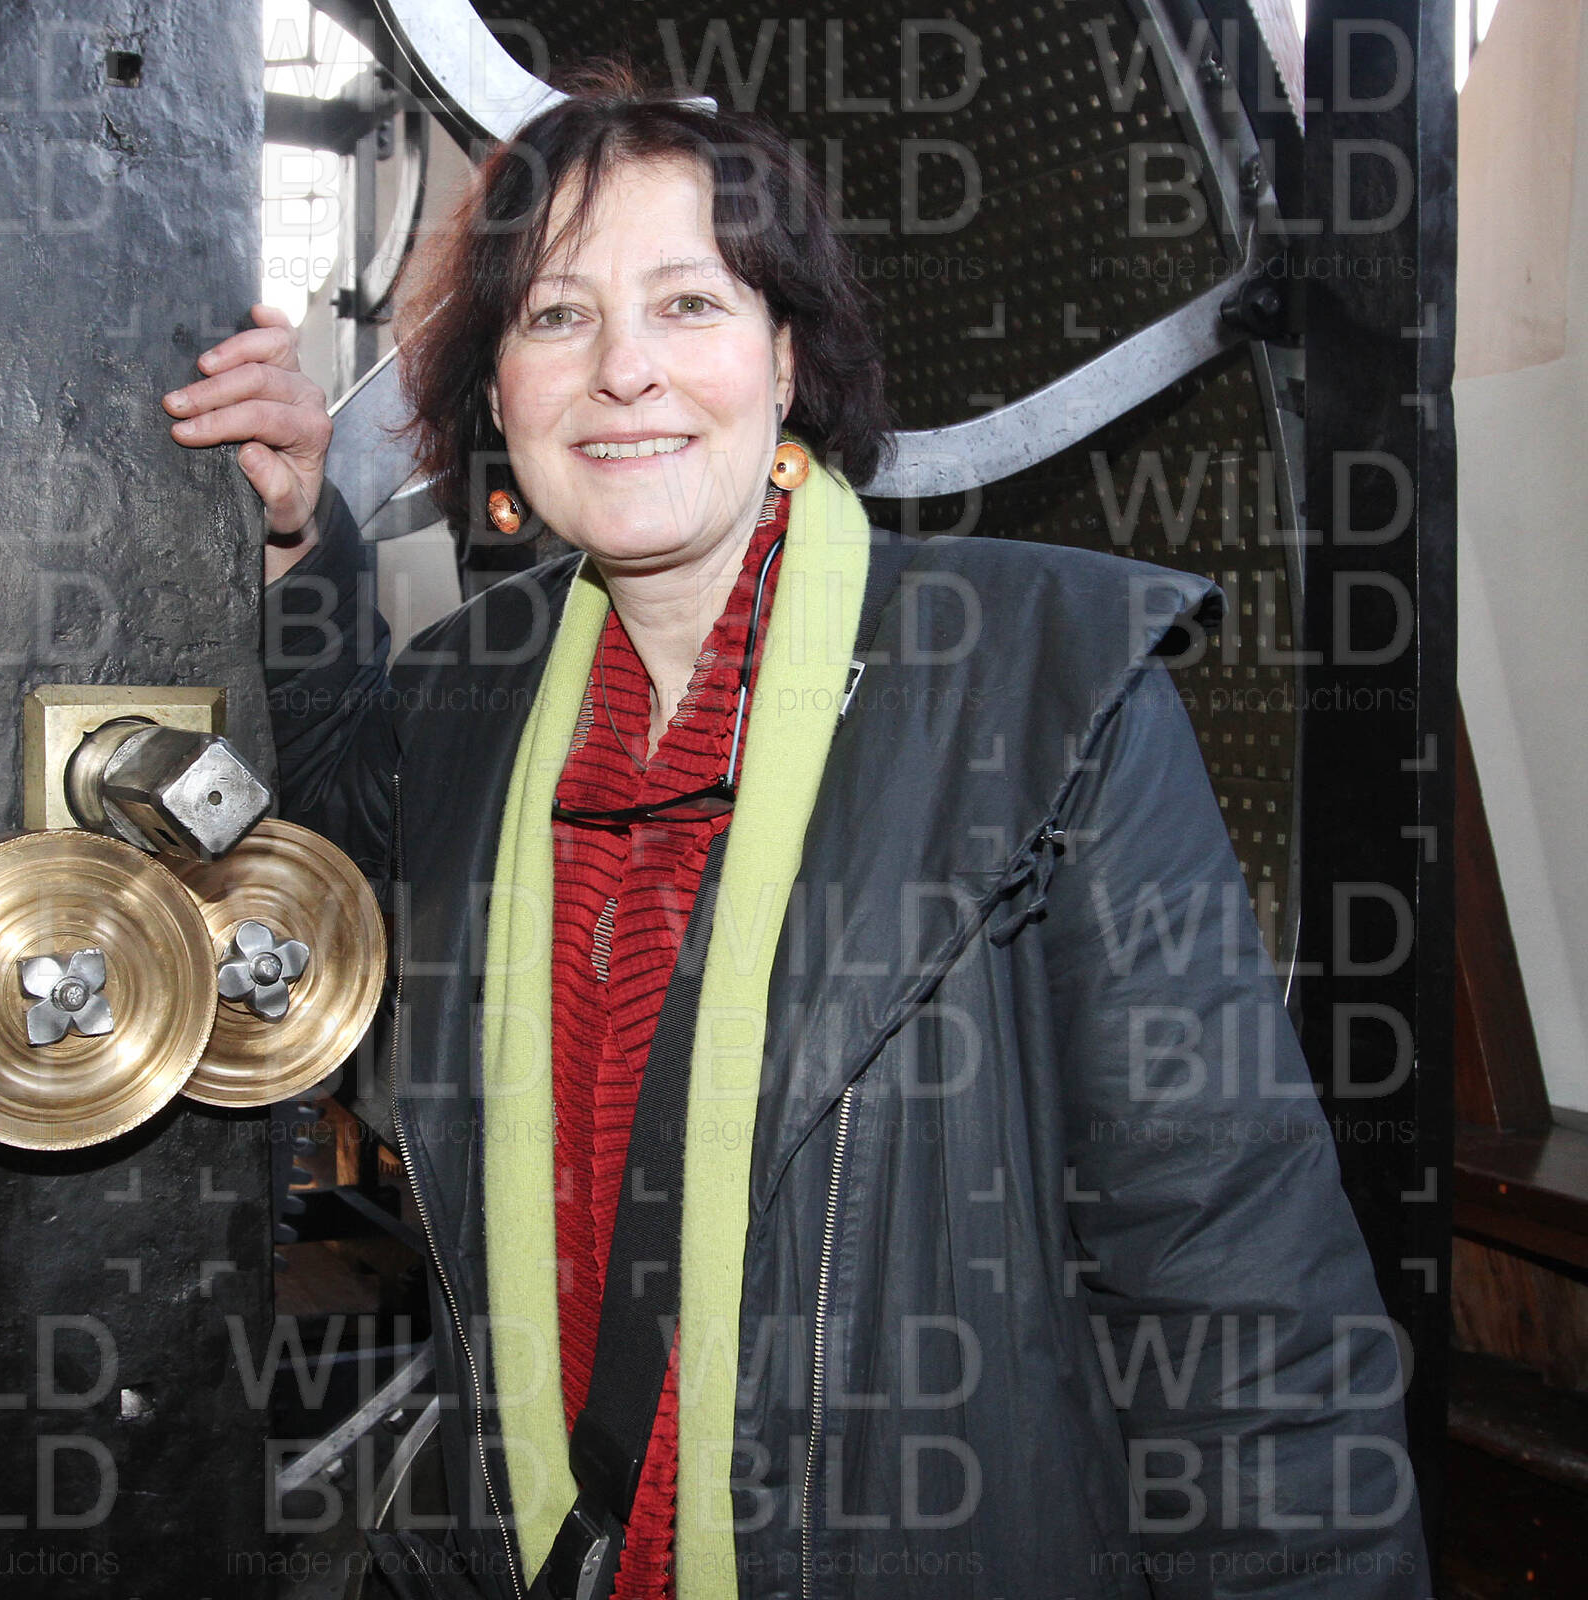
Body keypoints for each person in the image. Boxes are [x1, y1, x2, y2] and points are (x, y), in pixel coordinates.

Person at [166, 73, 1426, 1600]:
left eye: (690, 302)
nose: (624, 370)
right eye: (557, 317)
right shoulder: (467, 698)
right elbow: (323, 846)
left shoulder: (1043, 678)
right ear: (497, 392)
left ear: (785, 356)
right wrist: (295, 535)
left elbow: (1235, 1281)